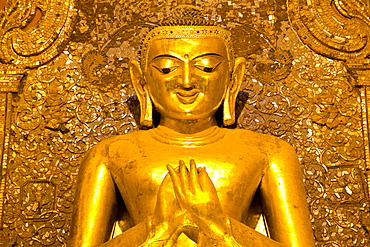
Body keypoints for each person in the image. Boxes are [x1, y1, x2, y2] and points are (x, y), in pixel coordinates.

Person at [68, 5, 315, 247]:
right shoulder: (109, 155)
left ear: (233, 78)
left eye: (206, 67)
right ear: (141, 82)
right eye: (167, 69)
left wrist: (220, 227)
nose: (187, 81)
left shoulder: (269, 152)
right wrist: (156, 228)